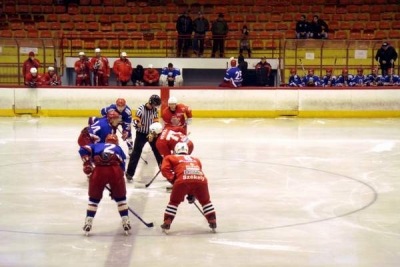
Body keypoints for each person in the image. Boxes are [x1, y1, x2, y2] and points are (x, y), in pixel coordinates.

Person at [79, 134, 131, 236]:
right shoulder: (118, 148)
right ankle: (125, 221)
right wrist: (115, 187)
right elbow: (122, 167)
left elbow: (82, 149)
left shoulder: (97, 145)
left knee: (94, 199)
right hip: (115, 171)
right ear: (116, 142)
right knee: (121, 198)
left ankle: (88, 222)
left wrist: (87, 164)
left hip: (99, 171)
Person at [160, 142, 217, 233]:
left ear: (175, 150)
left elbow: (164, 169)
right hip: (201, 180)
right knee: (205, 201)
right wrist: (191, 193)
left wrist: (173, 179)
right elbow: (194, 174)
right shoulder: (196, 159)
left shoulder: (170, 157)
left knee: (174, 202)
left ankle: (167, 221)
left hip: (182, 180)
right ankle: (212, 220)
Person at [125, 95, 163, 182]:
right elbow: (135, 119)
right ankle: (130, 173)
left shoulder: (155, 110)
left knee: (158, 152)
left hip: (152, 133)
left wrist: (153, 133)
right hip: (141, 134)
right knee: (136, 153)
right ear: (150, 102)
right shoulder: (141, 108)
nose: (155, 106)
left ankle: (165, 170)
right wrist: (137, 123)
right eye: (154, 104)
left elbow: (156, 122)